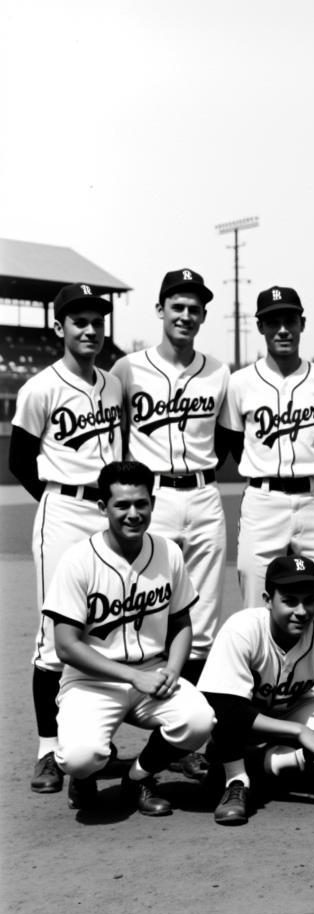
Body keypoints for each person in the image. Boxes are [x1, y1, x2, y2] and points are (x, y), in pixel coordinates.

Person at [41, 460, 214, 816]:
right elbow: (66, 645)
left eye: (142, 503)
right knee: (79, 757)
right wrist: (136, 677)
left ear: (152, 503)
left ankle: (138, 777)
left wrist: (174, 670)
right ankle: (84, 777)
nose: (133, 513)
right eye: (122, 505)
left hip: (153, 673)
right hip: (92, 682)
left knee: (199, 722)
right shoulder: (78, 561)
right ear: (103, 507)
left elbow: (181, 621)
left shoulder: (168, 552)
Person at [111, 268, 230, 779]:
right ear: (160, 310)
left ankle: (185, 743)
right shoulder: (127, 369)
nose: (186, 315)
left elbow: (225, 441)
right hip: (150, 495)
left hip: (203, 493)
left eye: (195, 308)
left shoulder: (218, 371)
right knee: (143, 613)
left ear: (203, 316)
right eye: (177, 306)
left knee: (199, 623)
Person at [9, 283, 124, 796]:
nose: (89, 329)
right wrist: (55, 499)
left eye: (96, 321)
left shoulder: (113, 384)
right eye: (78, 321)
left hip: (105, 513)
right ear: (60, 328)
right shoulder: (40, 387)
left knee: (103, 627)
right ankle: (45, 750)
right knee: (54, 638)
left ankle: (96, 738)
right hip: (61, 508)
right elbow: (17, 459)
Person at [197, 555, 314, 826]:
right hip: (238, 723)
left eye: (309, 600)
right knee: (221, 714)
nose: (301, 611)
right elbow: (224, 707)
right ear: (268, 599)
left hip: (289, 709)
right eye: (290, 600)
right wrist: (300, 731)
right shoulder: (242, 629)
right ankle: (236, 779)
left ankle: (265, 764)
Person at [219, 285, 314, 607]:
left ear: (302, 324)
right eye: (273, 321)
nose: (282, 330)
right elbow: (236, 444)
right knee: (255, 598)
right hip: (262, 500)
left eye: (290, 321)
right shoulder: (240, 382)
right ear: (261, 326)